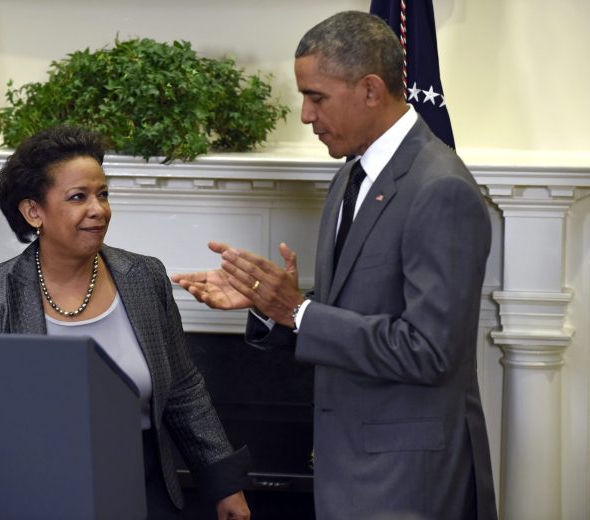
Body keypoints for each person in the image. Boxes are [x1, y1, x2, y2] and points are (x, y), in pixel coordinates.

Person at [172, 11, 497, 520]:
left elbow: (431, 352)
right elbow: (359, 314)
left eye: (316, 97)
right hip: (349, 475)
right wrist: (270, 305)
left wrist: (299, 310)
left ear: (370, 89)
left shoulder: (441, 189)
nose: (304, 115)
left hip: (408, 486)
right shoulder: (351, 176)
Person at [0, 125, 251, 520]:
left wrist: (223, 484)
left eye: (103, 194)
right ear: (33, 211)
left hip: (144, 487)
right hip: (34, 492)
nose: (99, 209)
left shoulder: (143, 277)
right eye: (79, 197)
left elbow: (182, 389)